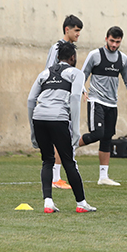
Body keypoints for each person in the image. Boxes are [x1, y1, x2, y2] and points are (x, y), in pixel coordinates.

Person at [28, 41, 94, 214]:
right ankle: (81, 203)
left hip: (39, 118)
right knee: (68, 162)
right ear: (73, 57)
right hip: (58, 119)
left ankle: (48, 202)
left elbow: (30, 100)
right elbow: (75, 98)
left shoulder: (44, 73)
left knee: (47, 160)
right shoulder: (76, 73)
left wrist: (32, 131)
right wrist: (76, 131)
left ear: (57, 57)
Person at [80, 26, 127, 186]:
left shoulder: (122, 59)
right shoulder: (95, 55)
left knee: (107, 138)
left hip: (112, 104)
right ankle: (72, 144)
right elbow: (82, 75)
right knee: (97, 133)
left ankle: (103, 177)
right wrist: (82, 90)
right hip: (96, 101)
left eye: (117, 42)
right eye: (112, 41)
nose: (114, 45)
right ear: (106, 39)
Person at [46, 14, 83, 189]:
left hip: (65, 98)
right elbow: (49, 70)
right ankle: (55, 178)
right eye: (76, 30)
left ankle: (57, 176)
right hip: (57, 99)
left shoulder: (69, 49)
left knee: (64, 136)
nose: (78, 34)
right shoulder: (57, 48)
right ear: (67, 30)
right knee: (60, 138)